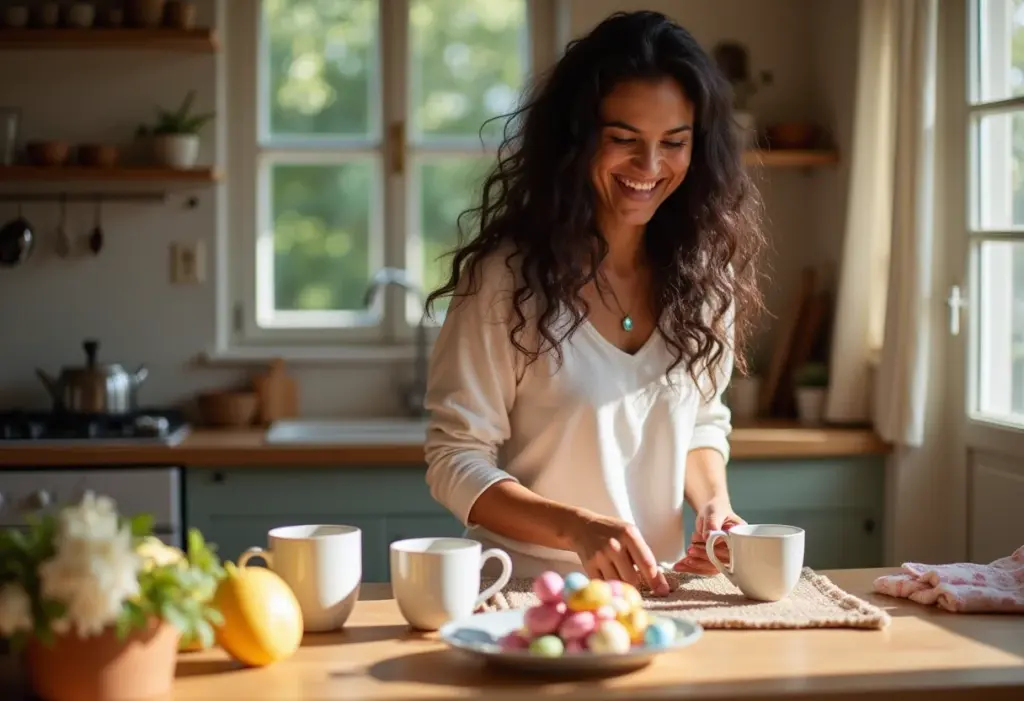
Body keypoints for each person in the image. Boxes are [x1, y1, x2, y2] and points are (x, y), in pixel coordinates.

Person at [422, 10, 766, 595]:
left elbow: (701, 422)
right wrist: (575, 528)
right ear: (576, 141)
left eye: (673, 143)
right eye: (623, 140)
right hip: (522, 597)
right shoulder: (505, 280)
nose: (650, 167)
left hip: (656, 604)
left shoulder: (705, 279)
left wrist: (715, 506)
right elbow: (455, 458)